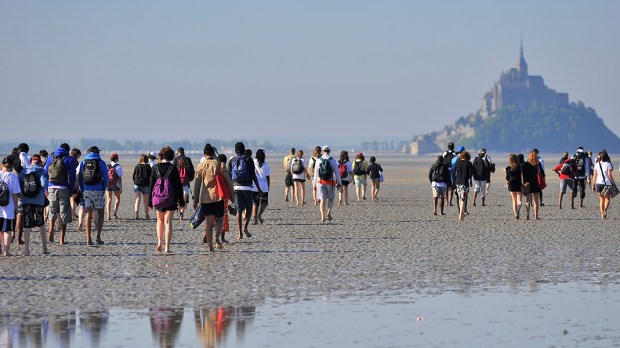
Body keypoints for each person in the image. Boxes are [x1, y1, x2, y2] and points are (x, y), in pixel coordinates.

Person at [193, 144, 234, 251]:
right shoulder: (220, 165)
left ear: (204, 154)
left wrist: (195, 199)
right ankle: (217, 237)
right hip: (218, 197)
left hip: (205, 198)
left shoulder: (200, 166)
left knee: (208, 222)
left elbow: (197, 184)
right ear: (213, 153)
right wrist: (232, 195)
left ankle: (210, 246)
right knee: (219, 220)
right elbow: (229, 182)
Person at [149, 146, 185, 254]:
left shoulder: (155, 168)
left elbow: (151, 185)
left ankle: (159, 241)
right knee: (168, 222)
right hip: (171, 198)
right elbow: (178, 186)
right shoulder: (173, 168)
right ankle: (167, 248)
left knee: (159, 221)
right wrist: (181, 201)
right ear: (171, 156)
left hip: (158, 199)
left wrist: (150, 201)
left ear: (161, 155)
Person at [44, 143, 77, 245]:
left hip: (51, 187)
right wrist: (71, 190)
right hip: (63, 188)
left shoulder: (51, 157)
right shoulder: (69, 159)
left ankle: (51, 229)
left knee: (52, 210)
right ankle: (61, 240)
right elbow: (72, 177)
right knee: (64, 213)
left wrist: (46, 188)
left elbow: (45, 173)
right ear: (68, 150)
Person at [228, 142, 261, 240]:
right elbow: (253, 175)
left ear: (235, 150)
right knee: (249, 209)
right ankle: (245, 227)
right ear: (243, 149)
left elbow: (229, 176)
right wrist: (258, 188)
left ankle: (239, 233)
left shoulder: (232, 160)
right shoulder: (249, 159)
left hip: (236, 187)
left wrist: (231, 189)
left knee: (239, 210)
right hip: (247, 187)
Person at [17, 155, 49, 255]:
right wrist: (40, 191)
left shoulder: (24, 171)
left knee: (27, 225)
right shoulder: (42, 171)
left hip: (26, 200)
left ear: (31, 162)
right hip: (39, 201)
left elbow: (19, 184)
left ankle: (26, 250)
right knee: (41, 224)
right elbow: (44, 185)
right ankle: (44, 248)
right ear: (39, 162)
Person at [77, 146, 109, 246]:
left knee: (88, 214)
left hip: (86, 191)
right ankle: (98, 236)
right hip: (98, 190)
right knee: (100, 212)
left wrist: (82, 189)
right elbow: (106, 177)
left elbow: (80, 178)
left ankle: (88, 239)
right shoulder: (101, 162)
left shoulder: (83, 162)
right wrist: (104, 188)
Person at [313, 146, 342, 223]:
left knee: (322, 200)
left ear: (322, 151)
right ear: (329, 151)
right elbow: (337, 173)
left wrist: (314, 185)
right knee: (331, 199)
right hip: (330, 182)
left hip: (320, 182)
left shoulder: (318, 160)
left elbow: (316, 174)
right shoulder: (332, 160)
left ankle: (323, 217)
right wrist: (339, 183)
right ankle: (328, 212)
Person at [0, 157, 20, 256]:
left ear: (2, 164)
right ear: (11, 166)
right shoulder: (13, 177)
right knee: (7, 230)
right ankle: (6, 251)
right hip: (8, 206)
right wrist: (16, 207)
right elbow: (15, 194)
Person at [591, 150, 616, 219]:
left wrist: (593, 185)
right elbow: (609, 174)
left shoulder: (596, 164)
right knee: (607, 198)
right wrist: (613, 182)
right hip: (607, 183)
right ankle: (605, 210)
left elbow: (594, 176)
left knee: (601, 199)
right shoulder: (608, 164)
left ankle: (602, 214)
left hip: (598, 183)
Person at [173, 147, 195, 220]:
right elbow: (192, 170)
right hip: (185, 182)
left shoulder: (175, 159)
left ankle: (180, 212)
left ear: (178, 152)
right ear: (183, 152)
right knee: (185, 199)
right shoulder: (188, 159)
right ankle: (182, 212)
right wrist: (189, 179)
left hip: (177, 182)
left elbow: (173, 170)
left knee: (179, 198)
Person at [522, 150, 543, 220]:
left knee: (528, 200)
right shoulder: (538, 164)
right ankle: (536, 216)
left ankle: (527, 216)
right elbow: (542, 174)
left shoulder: (525, 164)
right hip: (536, 184)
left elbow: (523, 175)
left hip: (528, 184)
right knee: (536, 201)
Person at [252, 149, 270, 225]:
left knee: (255, 203)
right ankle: (259, 214)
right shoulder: (265, 164)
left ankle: (255, 219)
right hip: (264, 185)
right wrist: (268, 186)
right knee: (264, 202)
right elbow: (268, 177)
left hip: (255, 185)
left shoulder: (253, 162)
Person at [453, 151, 472, 220]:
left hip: (457, 182)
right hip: (465, 183)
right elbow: (470, 174)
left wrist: (454, 182)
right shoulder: (469, 163)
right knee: (464, 198)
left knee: (461, 198)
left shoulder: (457, 163)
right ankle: (461, 214)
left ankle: (462, 214)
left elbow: (453, 173)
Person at [132, 154, 152, 220]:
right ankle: (146, 215)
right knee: (145, 201)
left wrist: (135, 181)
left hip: (137, 184)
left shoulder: (137, 166)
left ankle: (136, 213)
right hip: (145, 184)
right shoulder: (148, 166)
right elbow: (151, 176)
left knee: (137, 199)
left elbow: (134, 175)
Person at [505, 154, 523, 219]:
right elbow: (521, 175)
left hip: (511, 183)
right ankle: (518, 210)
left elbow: (507, 178)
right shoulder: (519, 166)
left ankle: (515, 214)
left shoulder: (508, 168)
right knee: (519, 200)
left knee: (514, 200)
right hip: (518, 183)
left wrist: (505, 172)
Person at [106, 153, 123, 220]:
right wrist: (121, 187)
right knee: (117, 199)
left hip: (108, 184)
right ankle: (115, 212)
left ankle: (108, 215)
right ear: (117, 159)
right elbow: (119, 178)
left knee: (109, 200)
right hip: (115, 184)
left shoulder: (107, 166)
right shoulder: (118, 166)